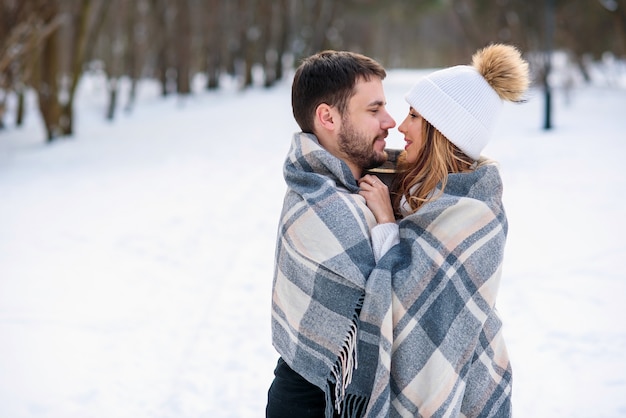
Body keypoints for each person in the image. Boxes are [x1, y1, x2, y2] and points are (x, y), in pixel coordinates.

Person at [353, 43, 530, 416]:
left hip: (467, 383)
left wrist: (386, 222)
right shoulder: (418, 189)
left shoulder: (472, 210)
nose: (401, 125)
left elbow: (406, 299)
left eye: (414, 116)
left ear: (442, 130)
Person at [266, 50, 396, 418]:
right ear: (328, 117)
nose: (389, 121)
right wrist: (387, 224)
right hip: (315, 401)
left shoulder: (355, 187)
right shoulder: (320, 206)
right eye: (374, 110)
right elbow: (396, 300)